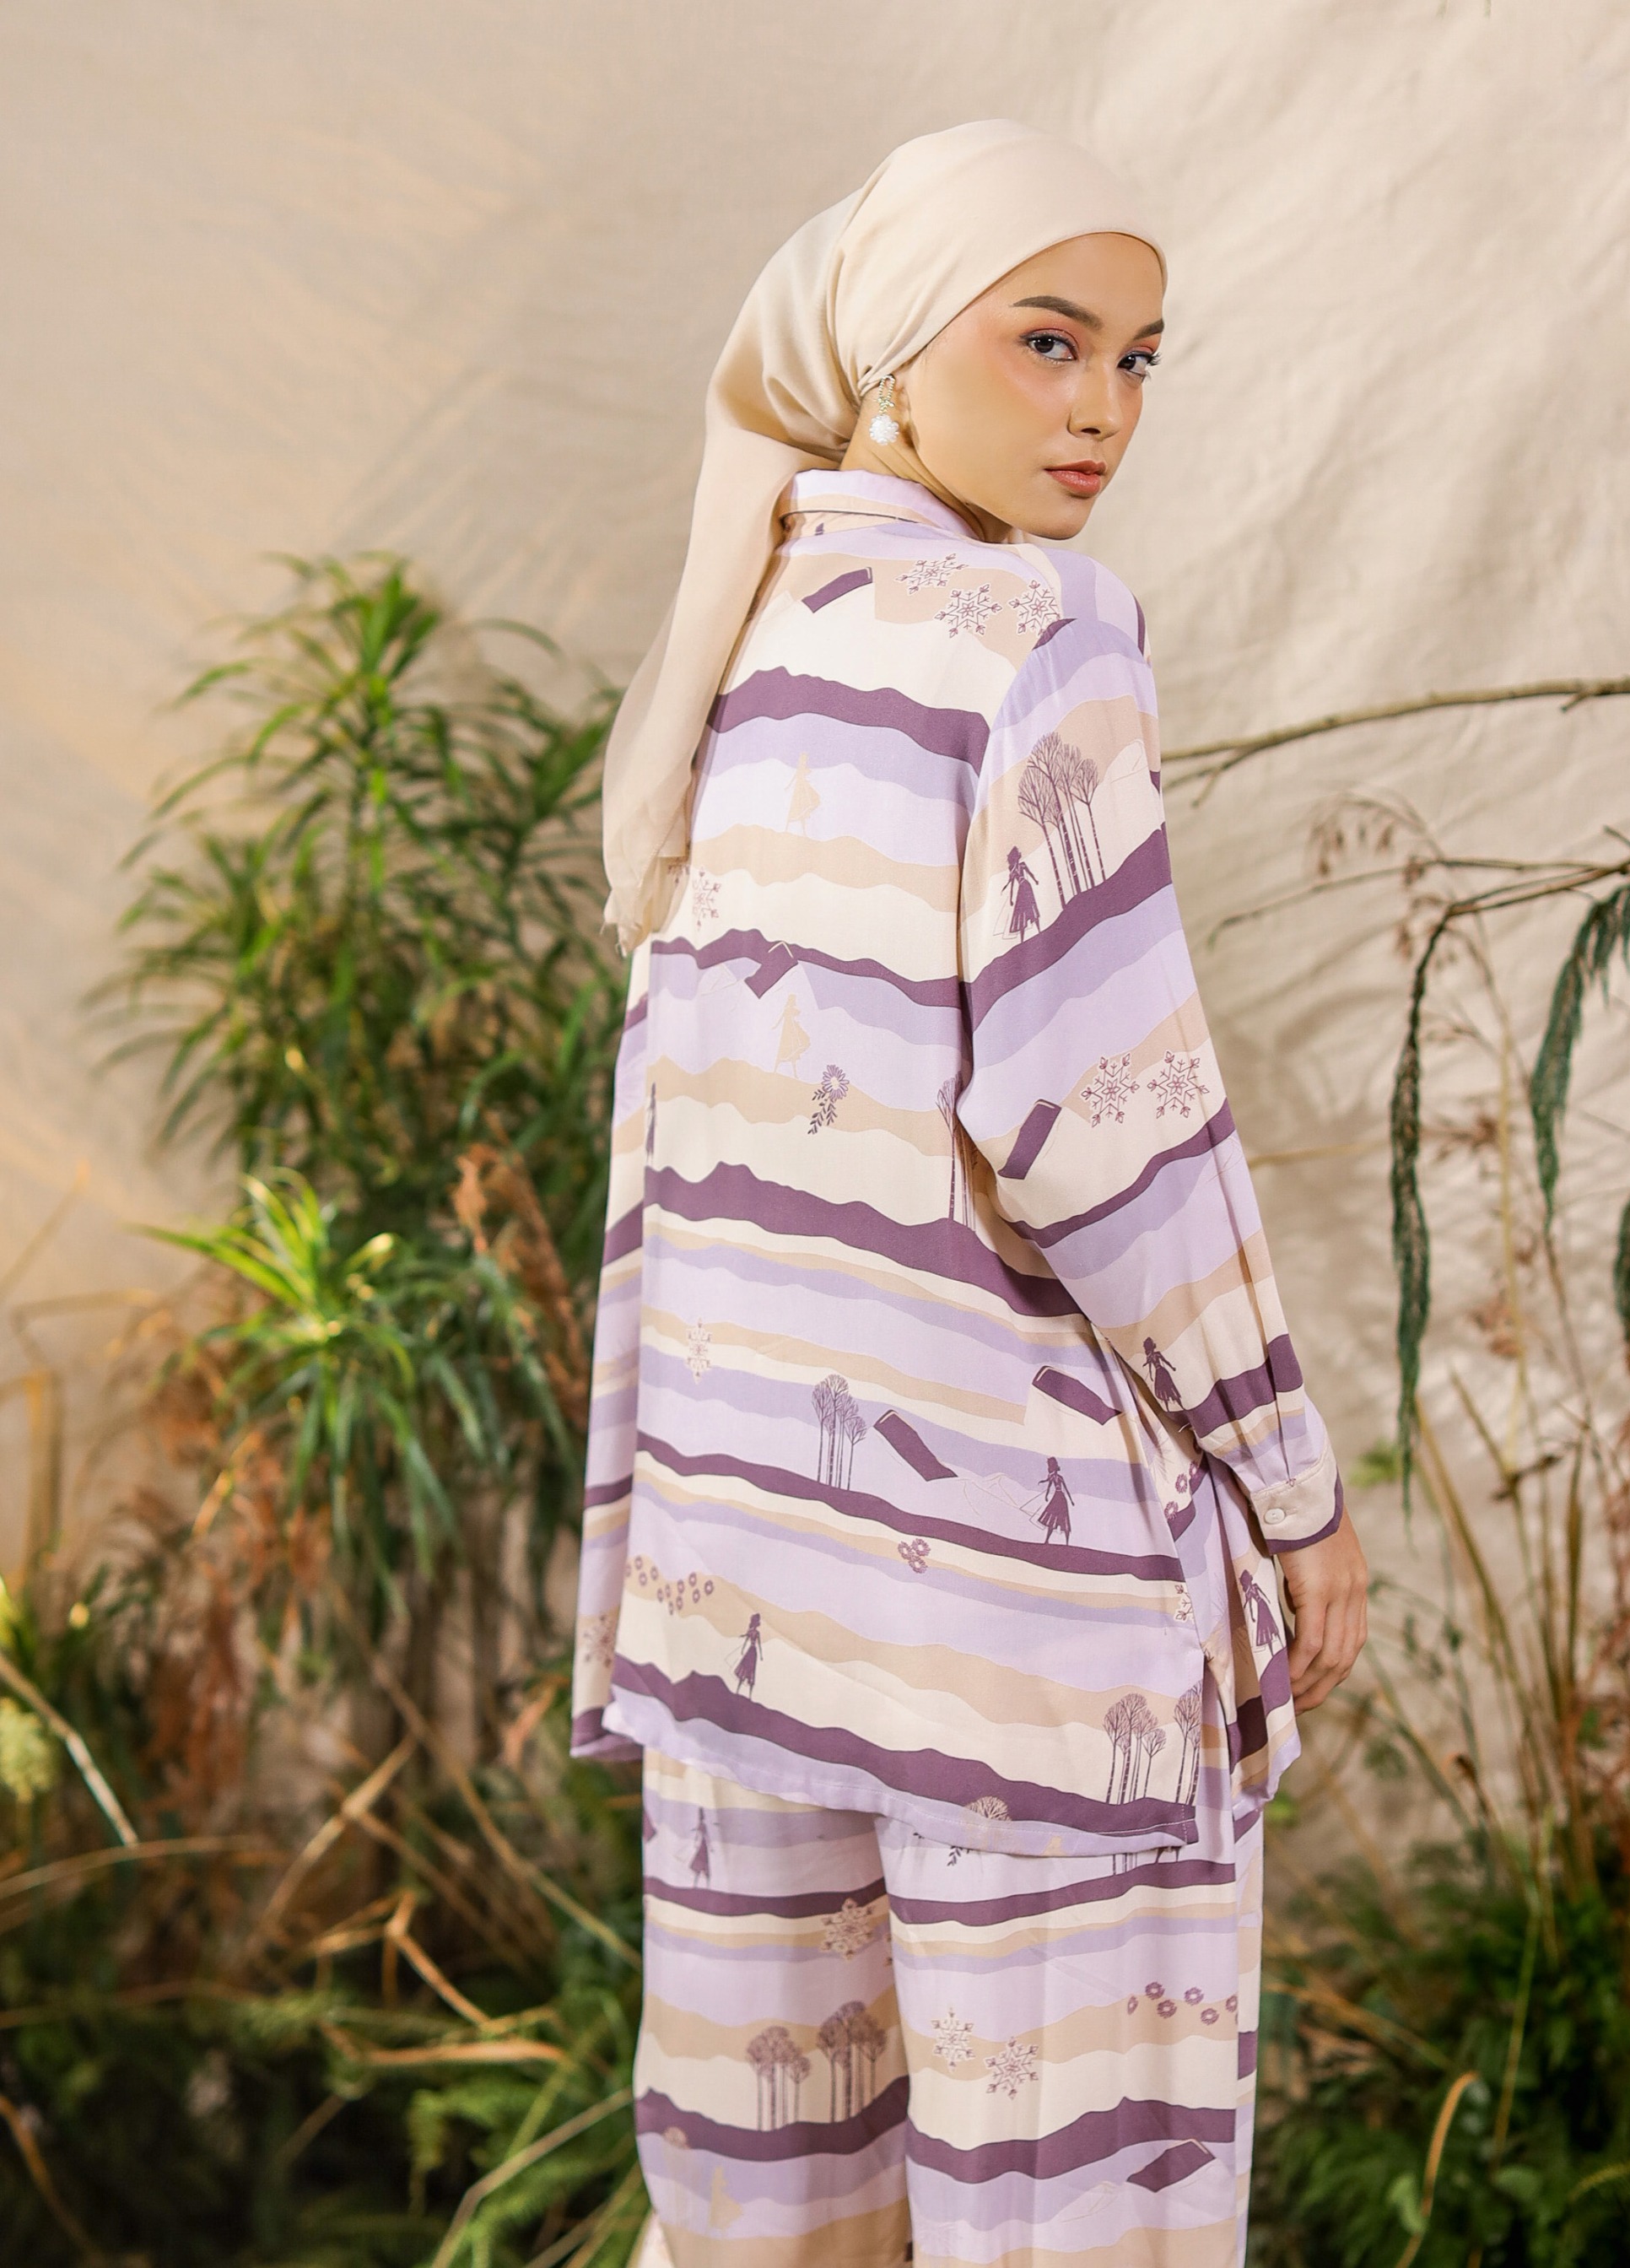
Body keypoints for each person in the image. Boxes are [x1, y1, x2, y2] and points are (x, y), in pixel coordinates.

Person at [570, 118, 1368, 2268]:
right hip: (1021, 1637)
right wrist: (1291, 1487)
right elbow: (1106, 1130)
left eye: (1138, 358)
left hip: (748, 1584)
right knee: (1067, 2223)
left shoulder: (739, 639)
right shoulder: (1037, 638)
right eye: (1047, 341)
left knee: (772, 2216)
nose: (1103, 408)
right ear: (892, 348)